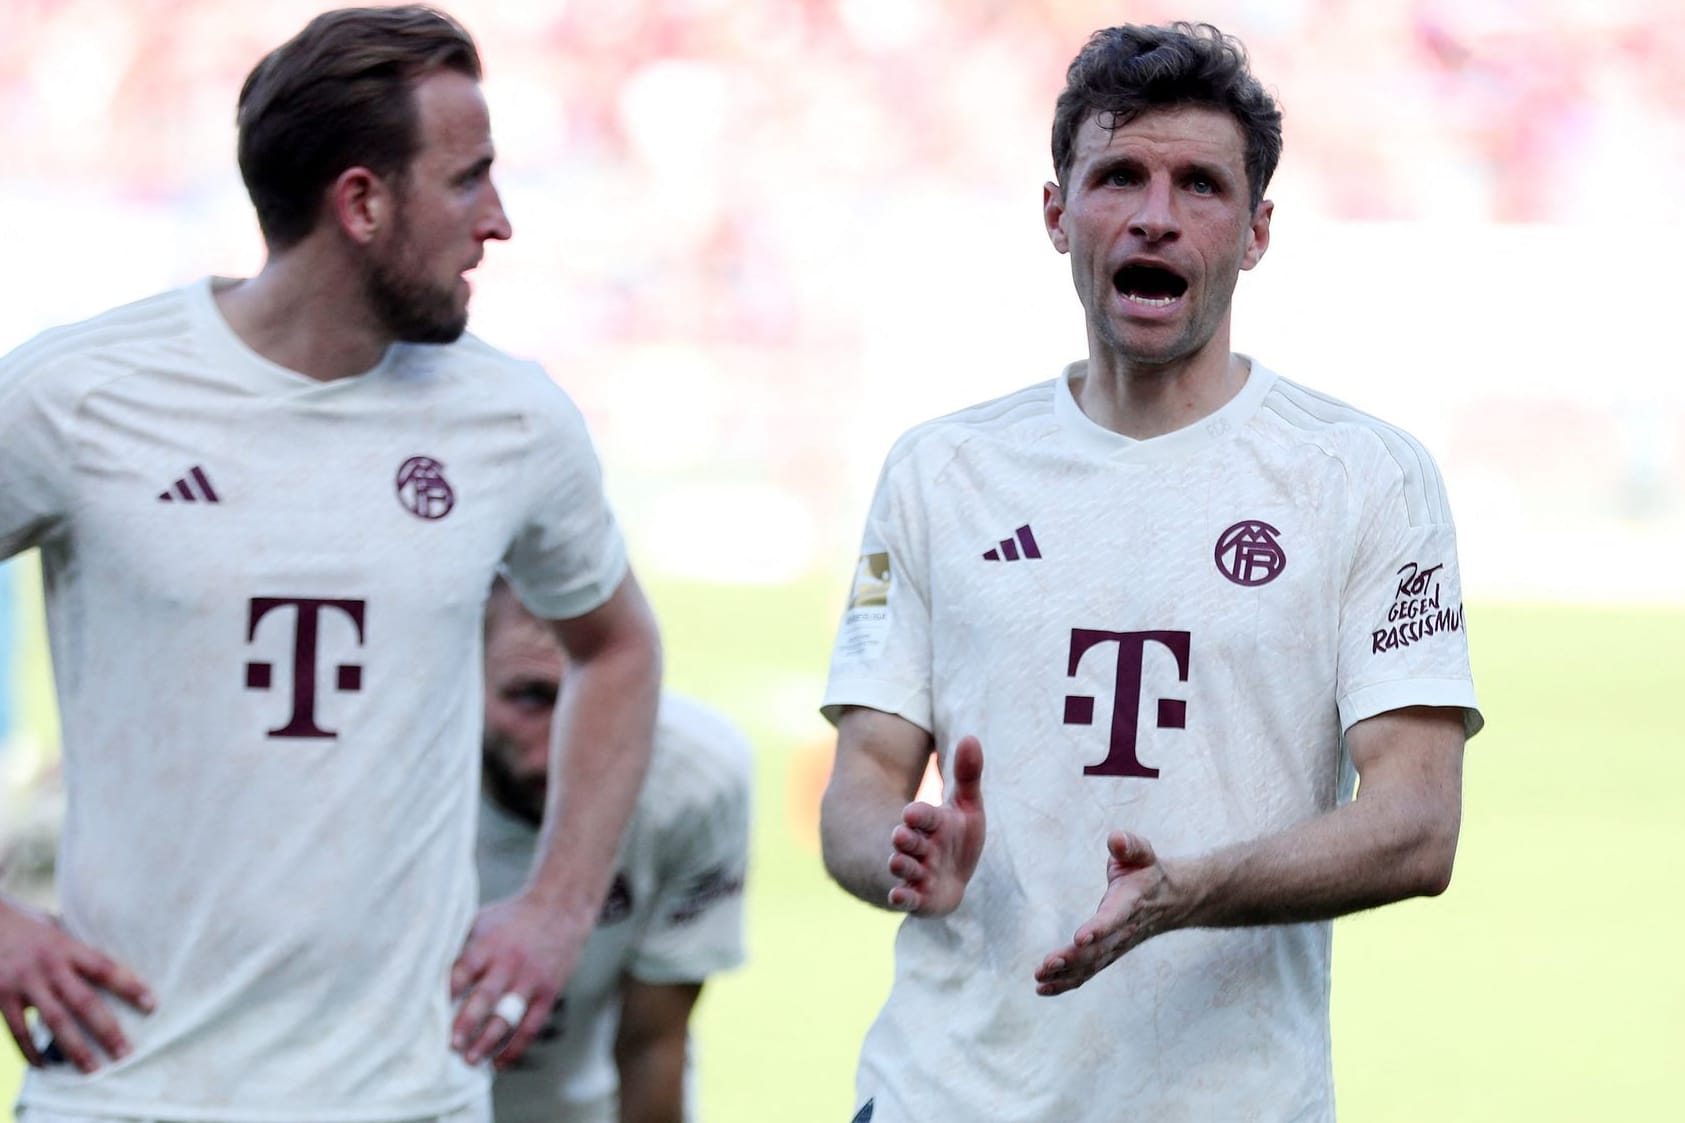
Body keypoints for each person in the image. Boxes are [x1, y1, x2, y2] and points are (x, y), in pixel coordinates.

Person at [0, 7, 662, 1122]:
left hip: (404, 1095)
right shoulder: (80, 395)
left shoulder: (512, 420)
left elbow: (619, 646)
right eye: (467, 181)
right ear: (360, 202)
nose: (496, 221)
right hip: (130, 1089)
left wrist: (555, 906)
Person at [818, 22, 1483, 1122]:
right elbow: (859, 783)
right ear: (1055, 213)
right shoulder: (942, 470)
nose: (1154, 214)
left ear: (1257, 231)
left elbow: (1417, 821)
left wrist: (1188, 892)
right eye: (1117, 175)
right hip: (945, 1094)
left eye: (1199, 186)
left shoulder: (1360, 477)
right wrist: (895, 851)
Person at [476, 578, 750, 1123]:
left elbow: (652, 1045)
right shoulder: (380, 781)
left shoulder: (693, 784)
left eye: (596, 698)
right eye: (531, 697)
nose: (567, 743)